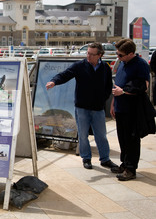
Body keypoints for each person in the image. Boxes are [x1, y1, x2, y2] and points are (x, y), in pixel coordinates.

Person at [46, 42, 118, 170]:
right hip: (82, 108)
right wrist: (54, 81)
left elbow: (108, 87)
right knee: (83, 135)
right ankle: (86, 158)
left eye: (91, 54)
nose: (88, 56)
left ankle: (105, 159)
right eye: (87, 53)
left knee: (101, 135)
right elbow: (65, 74)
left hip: (98, 108)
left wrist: (103, 99)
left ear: (100, 55)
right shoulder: (80, 66)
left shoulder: (105, 68)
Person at [110, 39, 151, 181]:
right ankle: (124, 163)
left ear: (131, 53)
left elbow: (143, 86)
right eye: (117, 54)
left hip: (132, 108)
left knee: (132, 139)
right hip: (120, 107)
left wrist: (124, 92)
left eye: (120, 55)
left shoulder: (141, 65)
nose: (118, 58)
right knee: (122, 137)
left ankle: (131, 168)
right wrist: (113, 104)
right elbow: (117, 85)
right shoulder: (122, 63)